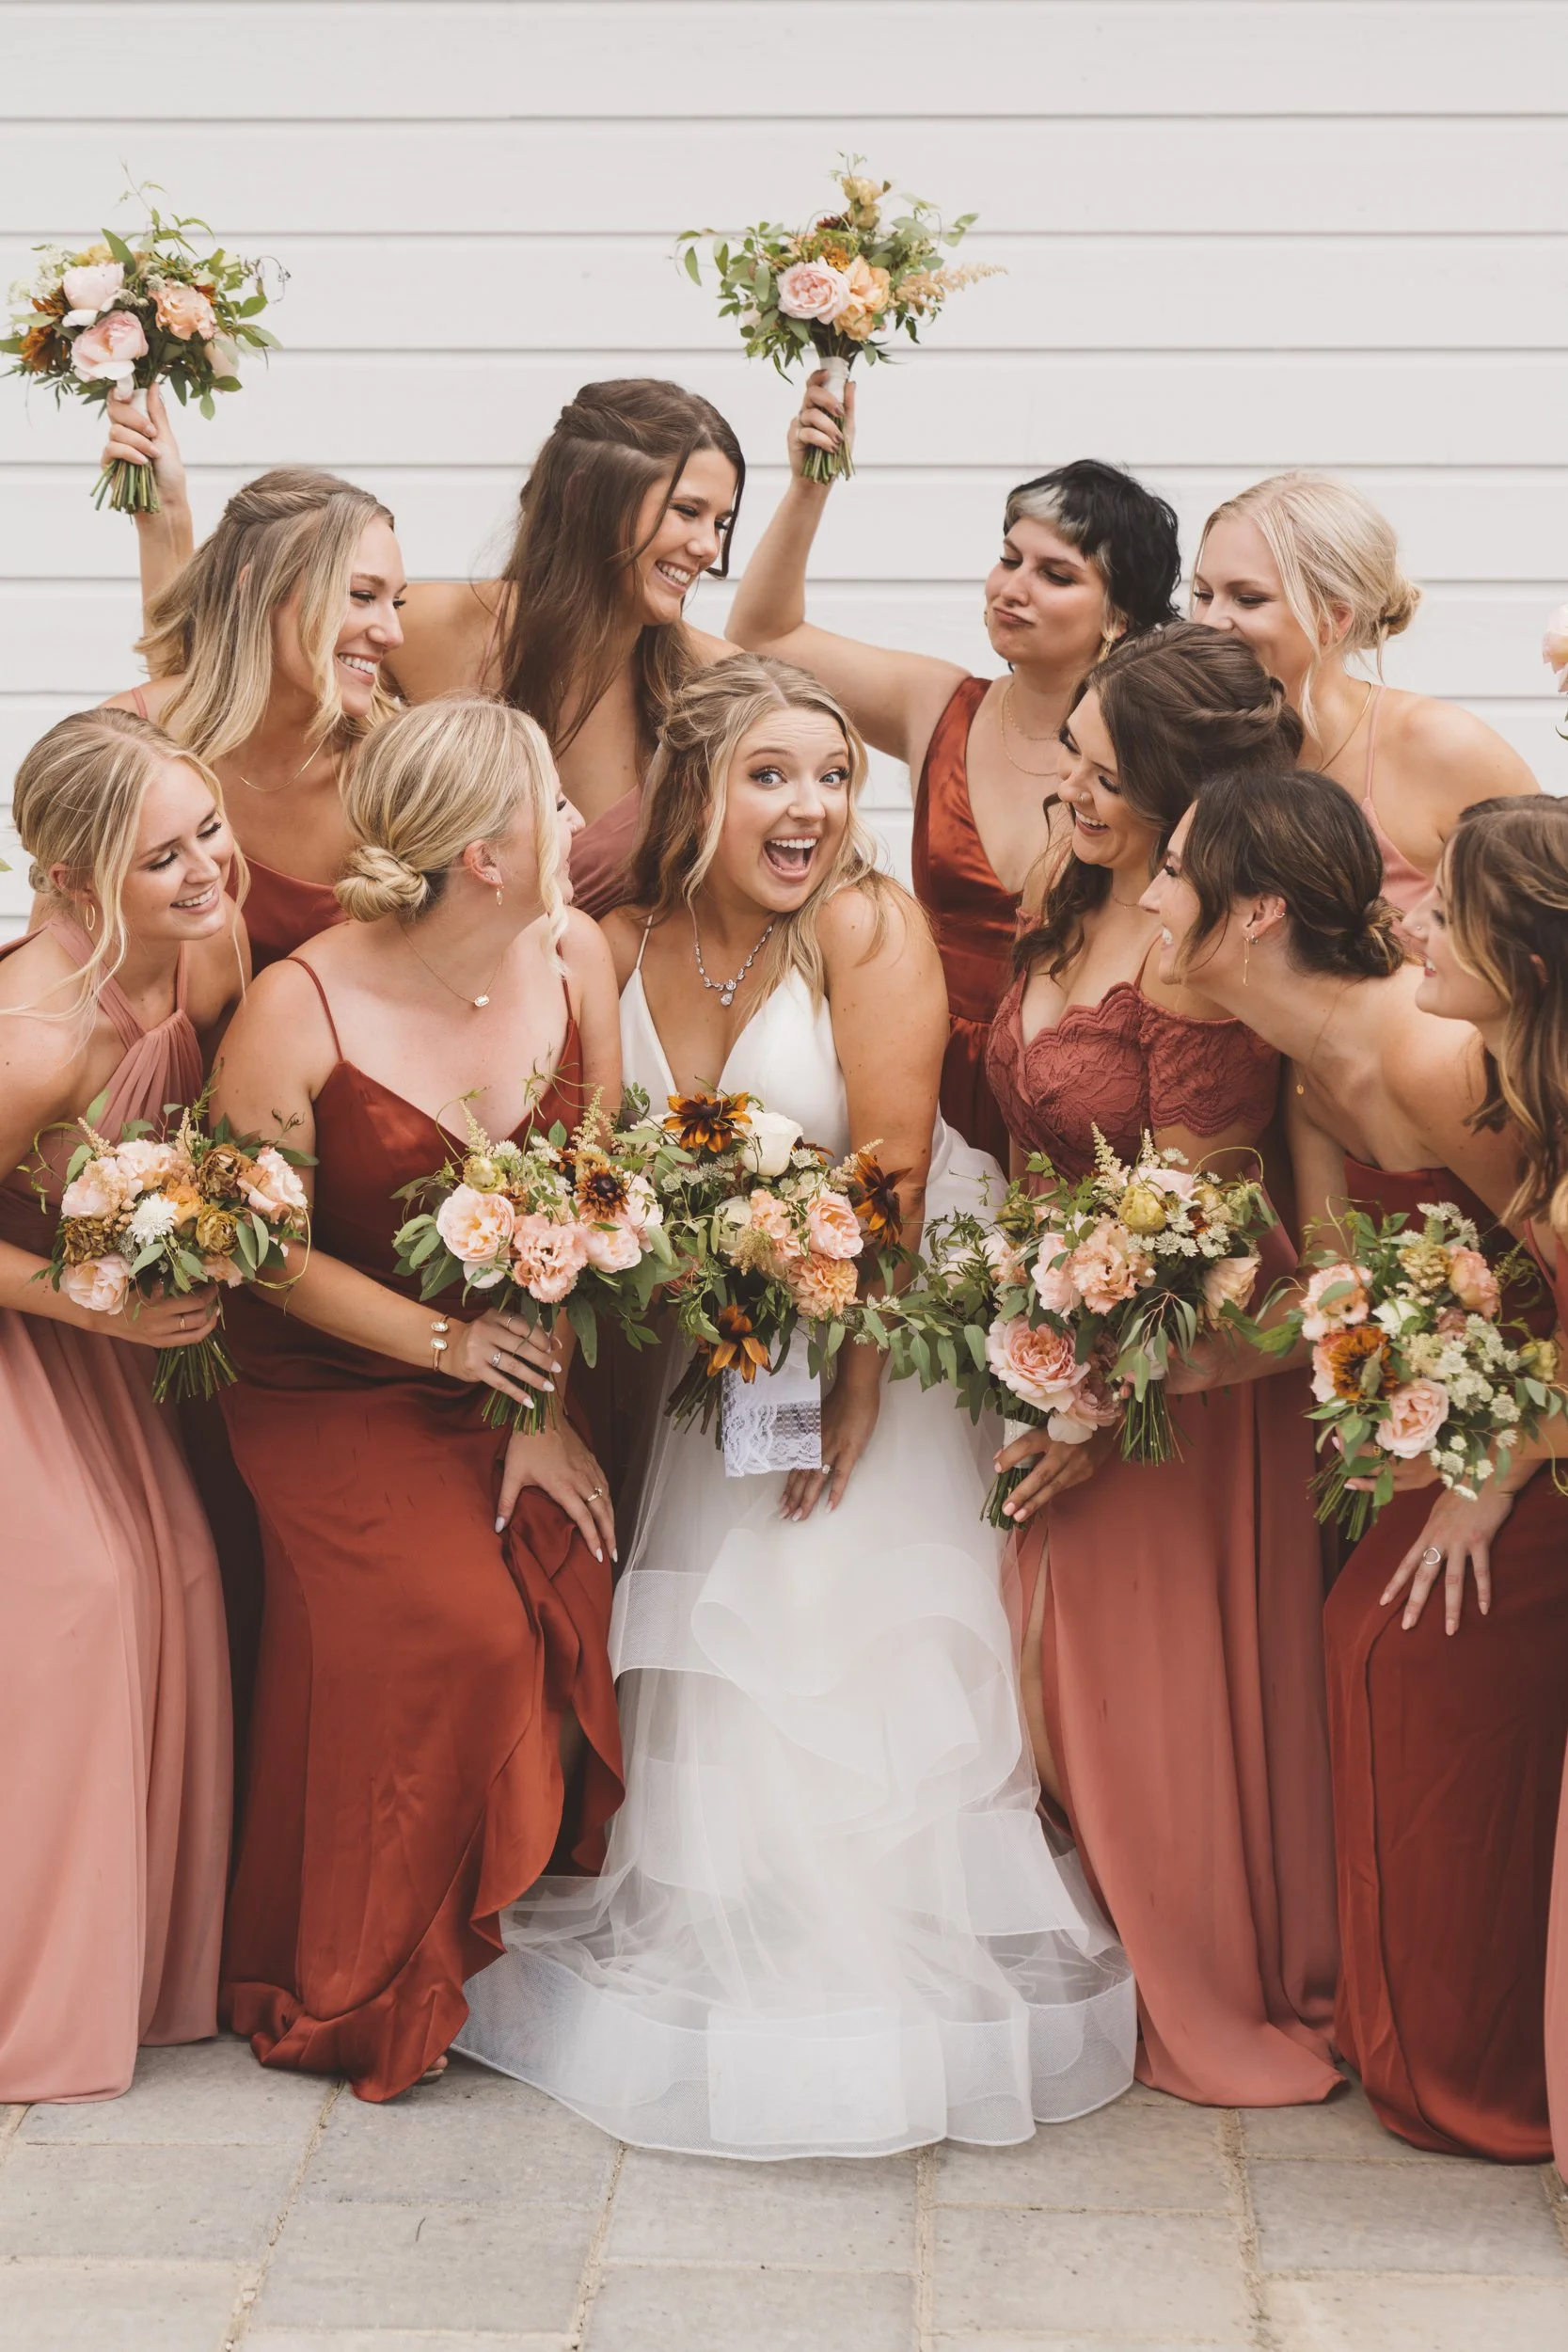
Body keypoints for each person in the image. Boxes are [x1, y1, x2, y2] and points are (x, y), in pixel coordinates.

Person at [455, 655, 1136, 2157]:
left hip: (866, 1328)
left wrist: (854, 1382)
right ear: (699, 791)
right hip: (707, 1356)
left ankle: (861, 1951)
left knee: (820, 1608)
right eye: (773, 776)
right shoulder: (618, 938)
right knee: (711, 1634)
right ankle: (730, 1908)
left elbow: (887, 1170)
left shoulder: (865, 927)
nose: (813, 808)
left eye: (833, 776)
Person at [211, 697, 625, 2102]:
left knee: (570, 1575)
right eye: (549, 802)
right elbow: (256, 1256)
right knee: (467, 1637)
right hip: (329, 1387)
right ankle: (370, 1981)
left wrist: (535, 1410)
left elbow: (592, 1200)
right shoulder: (296, 1006)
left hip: (512, 1378)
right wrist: (450, 1358)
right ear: (482, 856)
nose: (578, 823)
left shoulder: (575, 953)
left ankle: (508, 1953)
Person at [1151, 771, 1568, 2159]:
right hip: (1449, 1418)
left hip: (1527, 1432)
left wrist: (1485, 1468)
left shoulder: (1438, 1062)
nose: (1148, 898)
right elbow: (1344, 1290)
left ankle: (1481, 2073)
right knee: (1361, 1640)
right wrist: (1193, 1359)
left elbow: (1548, 1286)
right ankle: (1411, 2056)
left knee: (1394, 1647)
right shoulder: (1306, 1077)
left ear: (1252, 910)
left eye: (1170, 870)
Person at [983, 626, 1338, 2109]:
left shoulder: (1193, 965)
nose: (1065, 780)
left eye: (1098, 767)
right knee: (1051, 1687)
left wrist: (1098, 1398)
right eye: (1069, 745)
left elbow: (1195, 1221)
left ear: (1179, 798)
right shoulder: (1061, 896)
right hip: (1054, 1340)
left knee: (1138, 1700)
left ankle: (1189, 1969)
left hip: (1170, 1385)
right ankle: (1105, 1959)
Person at [728, 380, 1183, 1161]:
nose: (1013, 587)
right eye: (1008, 558)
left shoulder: (1160, 757)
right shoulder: (938, 703)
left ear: (1120, 616)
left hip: (1078, 1093)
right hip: (921, 1066)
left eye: (1055, 574)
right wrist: (809, 486)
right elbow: (762, 633)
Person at [0, 708, 241, 2101]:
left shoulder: (193, 963)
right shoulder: (36, 1033)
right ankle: (37, 1996)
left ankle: (143, 1975)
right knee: (84, 1598)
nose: (206, 867)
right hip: (35, 1331)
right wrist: (94, 1301)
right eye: (163, 856)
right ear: (79, 885)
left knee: (189, 1576)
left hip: (108, 1344)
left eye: (206, 828)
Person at [98, 435, 407, 972]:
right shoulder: (131, 736)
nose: (393, 633)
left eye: (395, 602)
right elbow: (59, 962)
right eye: (362, 595)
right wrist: (164, 511)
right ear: (259, 589)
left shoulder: (400, 769)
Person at [1190, 472, 1537, 907]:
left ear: (1335, 618)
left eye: (1248, 599)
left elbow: (1544, 932)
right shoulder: (1189, 738)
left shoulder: (1443, 747)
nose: (1208, 623)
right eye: (1203, 594)